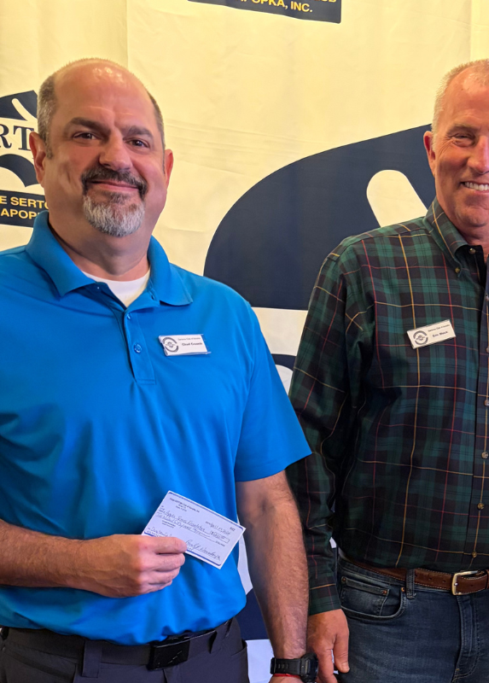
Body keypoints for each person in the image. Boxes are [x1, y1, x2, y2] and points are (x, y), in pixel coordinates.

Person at [0, 59, 313, 683]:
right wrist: (75, 564)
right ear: (39, 155)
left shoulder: (225, 314)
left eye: (138, 140)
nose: (118, 157)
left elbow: (267, 502)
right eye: (87, 134)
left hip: (215, 661)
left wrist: (289, 660)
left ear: (164, 168)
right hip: (51, 663)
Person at [287, 58, 489, 683]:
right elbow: (306, 456)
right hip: (378, 615)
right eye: (464, 136)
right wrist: (317, 597)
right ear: (430, 149)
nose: (483, 160)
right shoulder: (361, 269)